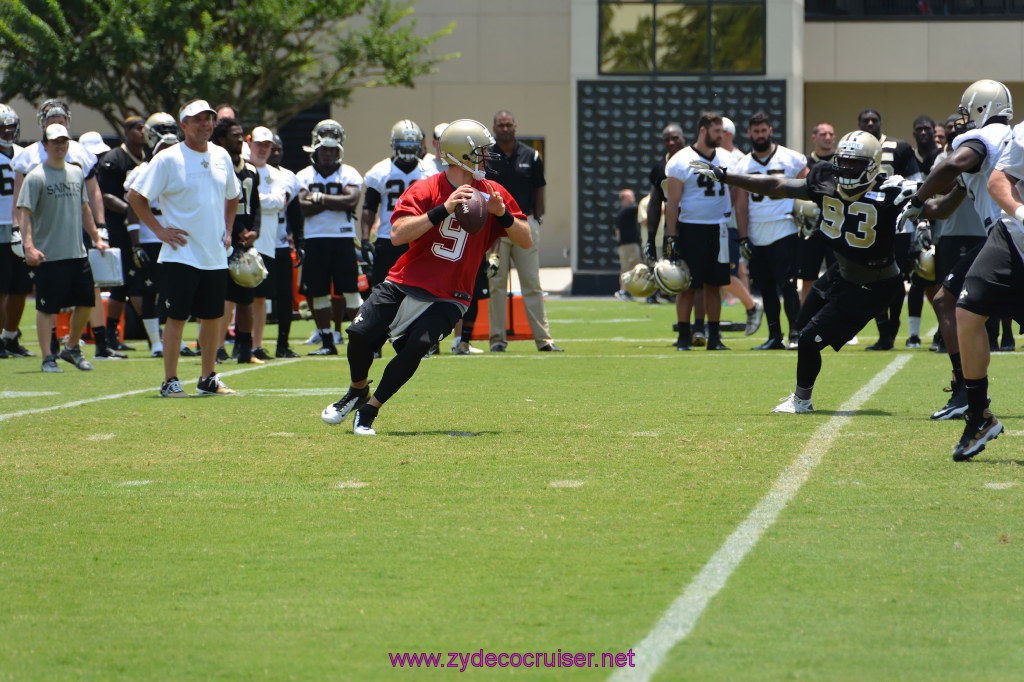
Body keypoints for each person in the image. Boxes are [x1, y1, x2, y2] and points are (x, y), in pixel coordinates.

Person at [319, 119, 532, 435]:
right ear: (461, 155)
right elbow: (397, 234)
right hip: (406, 280)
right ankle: (357, 389)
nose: (488, 157)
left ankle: (369, 410)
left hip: (452, 293)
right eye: (481, 152)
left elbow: (526, 239)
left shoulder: (492, 192)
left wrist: (503, 215)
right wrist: (442, 209)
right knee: (360, 335)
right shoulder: (427, 188)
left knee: (417, 346)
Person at [689, 130, 912, 412]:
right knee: (800, 323)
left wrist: (921, 197)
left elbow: (935, 203)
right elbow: (776, 185)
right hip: (842, 273)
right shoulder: (826, 181)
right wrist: (727, 176)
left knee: (807, 341)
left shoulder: (891, 191)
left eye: (855, 164)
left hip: (874, 283)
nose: (846, 169)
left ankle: (802, 401)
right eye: (843, 162)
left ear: (872, 165)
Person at [894, 80, 1013, 424]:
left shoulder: (981, 140)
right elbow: (945, 205)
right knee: (949, 300)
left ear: (980, 108)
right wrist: (911, 205)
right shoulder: (1007, 142)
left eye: (966, 112)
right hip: (1005, 234)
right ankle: (966, 390)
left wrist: (916, 199)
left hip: (1007, 236)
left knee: (949, 300)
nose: (962, 122)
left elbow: (950, 166)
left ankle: (966, 392)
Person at [126, 99, 241, 397]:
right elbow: (135, 196)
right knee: (176, 318)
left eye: (208, 119)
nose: (205, 124)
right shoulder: (167, 159)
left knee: (212, 318)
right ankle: (170, 381)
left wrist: (228, 230)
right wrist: (159, 230)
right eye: (198, 119)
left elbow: (233, 196)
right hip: (180, 253)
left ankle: (208, 378)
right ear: (184, 126)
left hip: (214, 254)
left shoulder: (221, 156)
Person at [16, 123, 109, 372]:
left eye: (64, 141)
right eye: (55, 141)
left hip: (77, 252)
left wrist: (97, 237)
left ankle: (71, 348)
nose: (60, 145)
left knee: (87, 301)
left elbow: (85, 208)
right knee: (47, 308)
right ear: (45, 145)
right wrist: (28, 246)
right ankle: (48, 357)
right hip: (49, 254)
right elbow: (24, 211)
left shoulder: (77, 173)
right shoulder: (35, 176)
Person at [485, 110, 561, 352]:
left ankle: (544, 340)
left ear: (515, 127)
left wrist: (537, 218)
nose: (505, 128)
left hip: (524, 224)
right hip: (496, 228)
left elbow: (539, 188)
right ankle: (497, 340)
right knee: (496, 283)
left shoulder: (531, 155)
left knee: (532, 283)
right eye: (501, 125)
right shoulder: (487, 157)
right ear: (494, 128)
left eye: (509, 125)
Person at [732, 112, 808, 349]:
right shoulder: (742, 164)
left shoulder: (791, 158)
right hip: (756, 231)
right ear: (749, 134)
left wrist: (806, 213)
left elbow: (808, 187)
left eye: (764, 131)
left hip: (784, 226)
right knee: (766, 287)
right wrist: (743, 237)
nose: (761, 136)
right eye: (756, 132)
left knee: (787, 284)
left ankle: (796, 333)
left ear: (770, 131)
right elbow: (741, 204)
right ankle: (775, 336)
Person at [663, 111, 737, 351]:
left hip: (719, 228)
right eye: (717, 131)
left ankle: (714, 337)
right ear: (703, 130)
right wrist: (671, 235)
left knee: (715, 284)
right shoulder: (680, 160)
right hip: (690, 228)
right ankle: (684, 335)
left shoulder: (729, 158)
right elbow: (672, 203)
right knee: (688, 285)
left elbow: (736, 193)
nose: (721, 136)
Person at [295, 119, 363, 356]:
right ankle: (327, 342)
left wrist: (318, 198)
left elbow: (351, 200)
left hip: (343, 238)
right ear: (315, 147)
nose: (328, 154)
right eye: (324, 149)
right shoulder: (303, 175)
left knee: (351, 291)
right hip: (315, 238)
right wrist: (334, 202)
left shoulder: (350, 172)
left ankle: (360, 339)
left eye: (333, 149)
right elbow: (302, 207)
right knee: (318, 292)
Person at [857, 107, 923, 351]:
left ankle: (892, 328)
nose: (871, 123)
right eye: (866, 120)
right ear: (859, 124)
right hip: (868, 225)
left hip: (898, 225)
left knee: (896, 280)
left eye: (875, 119)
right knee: (873, 280)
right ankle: (884, 332)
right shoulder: (853, 148)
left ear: (880, 122)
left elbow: (917, 183)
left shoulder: (900, 148)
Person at [123, 113, 181, 357]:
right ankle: (156, 341)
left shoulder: (182, 166)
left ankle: (175, 338)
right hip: (150, 237)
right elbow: (133, 208)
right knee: (149, 291)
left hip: (177, 236)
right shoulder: (142, 170)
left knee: (177, 289)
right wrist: (136, 244)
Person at [362, 120, 435, 291]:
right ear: (394, 144)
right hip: (388, 238)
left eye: (412, 144)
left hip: (420, 238)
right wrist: (365, 239)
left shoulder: (430, 172)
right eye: (404, 143)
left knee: (419, 290)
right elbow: (369, 207)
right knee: (383, 289)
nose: (408, 149)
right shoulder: (379, 171)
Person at [211, 118, 261, 365]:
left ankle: (244, 350)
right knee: (220, 298)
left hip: (243, 241)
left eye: (242, 134)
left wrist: (255, 231)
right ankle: (217, 348)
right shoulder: (216, 167)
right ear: (221, 139)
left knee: (245, 299)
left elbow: (256, 205)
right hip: (221, 238)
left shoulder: (250, 170)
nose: (240, 139)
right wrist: (233, 229)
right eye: (235, 135)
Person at [96, 116, 146, 353]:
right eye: (138, 128)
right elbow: (105, 195)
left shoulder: (149, 157)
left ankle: (112, 333)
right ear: (126, 132)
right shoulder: (114, 159)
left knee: (131, 285)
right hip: (120, 228)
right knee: (124, 284)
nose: (142, 132)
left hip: (145, 229)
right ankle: (150, 334)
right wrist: (133, 209)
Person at [247, 126, 292, 360]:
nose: (263, 149)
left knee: (260, 298)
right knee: (232, 298)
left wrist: (253, 200)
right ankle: (224, 345)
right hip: (240, 240)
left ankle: (255, 345)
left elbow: (279, 202)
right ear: (249, 143)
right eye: (259, 144)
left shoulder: (277, 174)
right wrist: (264, 201)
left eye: (267, 145)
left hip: (266, 243)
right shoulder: (241, 169)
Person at [0, 102, 32, 359]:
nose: (8, 133)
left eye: (11, 127)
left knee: (21, 287)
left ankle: (10, 337)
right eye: (3, 128)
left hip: (22, 227)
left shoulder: (25, 154)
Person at [642, 123, 686, 304]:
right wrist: (651, 239)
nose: (671, 142)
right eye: (667, 139)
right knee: (677, 282)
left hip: (698, 226)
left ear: (684, 138)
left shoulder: (694, 162)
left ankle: (703, 324)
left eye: (675, 137)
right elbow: (654, 203)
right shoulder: (660, 168)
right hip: (673, 232)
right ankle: (685, 327)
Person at [269, 134, 303, 358]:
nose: (276, 153)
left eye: (279, 149)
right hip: (255, 244)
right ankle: (244, 343)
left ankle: (283, 343)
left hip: (280, 243)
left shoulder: (288, 176)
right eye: (272, 149)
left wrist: (299, 241)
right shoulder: (250, 172)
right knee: (251, 299)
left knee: (284, 297)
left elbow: (295, 212)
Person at [797, 122, 837, 304]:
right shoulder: (803, 163)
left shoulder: (842, 161)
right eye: (823, 134)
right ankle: (804, 323)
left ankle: (842, 324)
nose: (828, 138)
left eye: (830, 134)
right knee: (808, 277)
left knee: (838, 278)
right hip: (811, 228)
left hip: (837, 226)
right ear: (814, 137)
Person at [613, 188, 641, 300]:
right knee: (629, 269)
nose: (633, 197)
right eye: (630, 196)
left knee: (626, 269)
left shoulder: (622, 212)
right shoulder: (628, 209)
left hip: (625, 245)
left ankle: (625, 291)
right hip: (629, 245)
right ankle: (624, 291)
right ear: (624, 198)